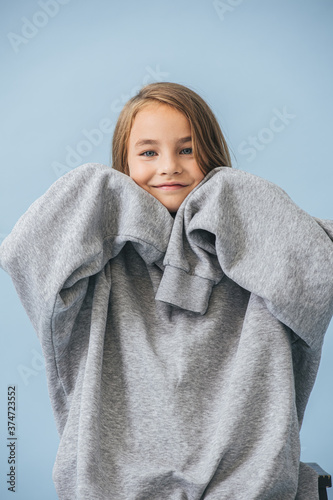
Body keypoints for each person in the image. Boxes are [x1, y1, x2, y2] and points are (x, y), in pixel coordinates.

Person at [1, 82, 333, 500]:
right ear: (122, 166)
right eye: (148, 153)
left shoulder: (258, 240)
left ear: (213, 157)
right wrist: (131, 210)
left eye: (187, 150)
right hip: (114, 483)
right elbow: (25, 252)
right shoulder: (94, 260)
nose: (170, 166)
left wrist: (227, 193)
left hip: (246, 483)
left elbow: (318, 272)